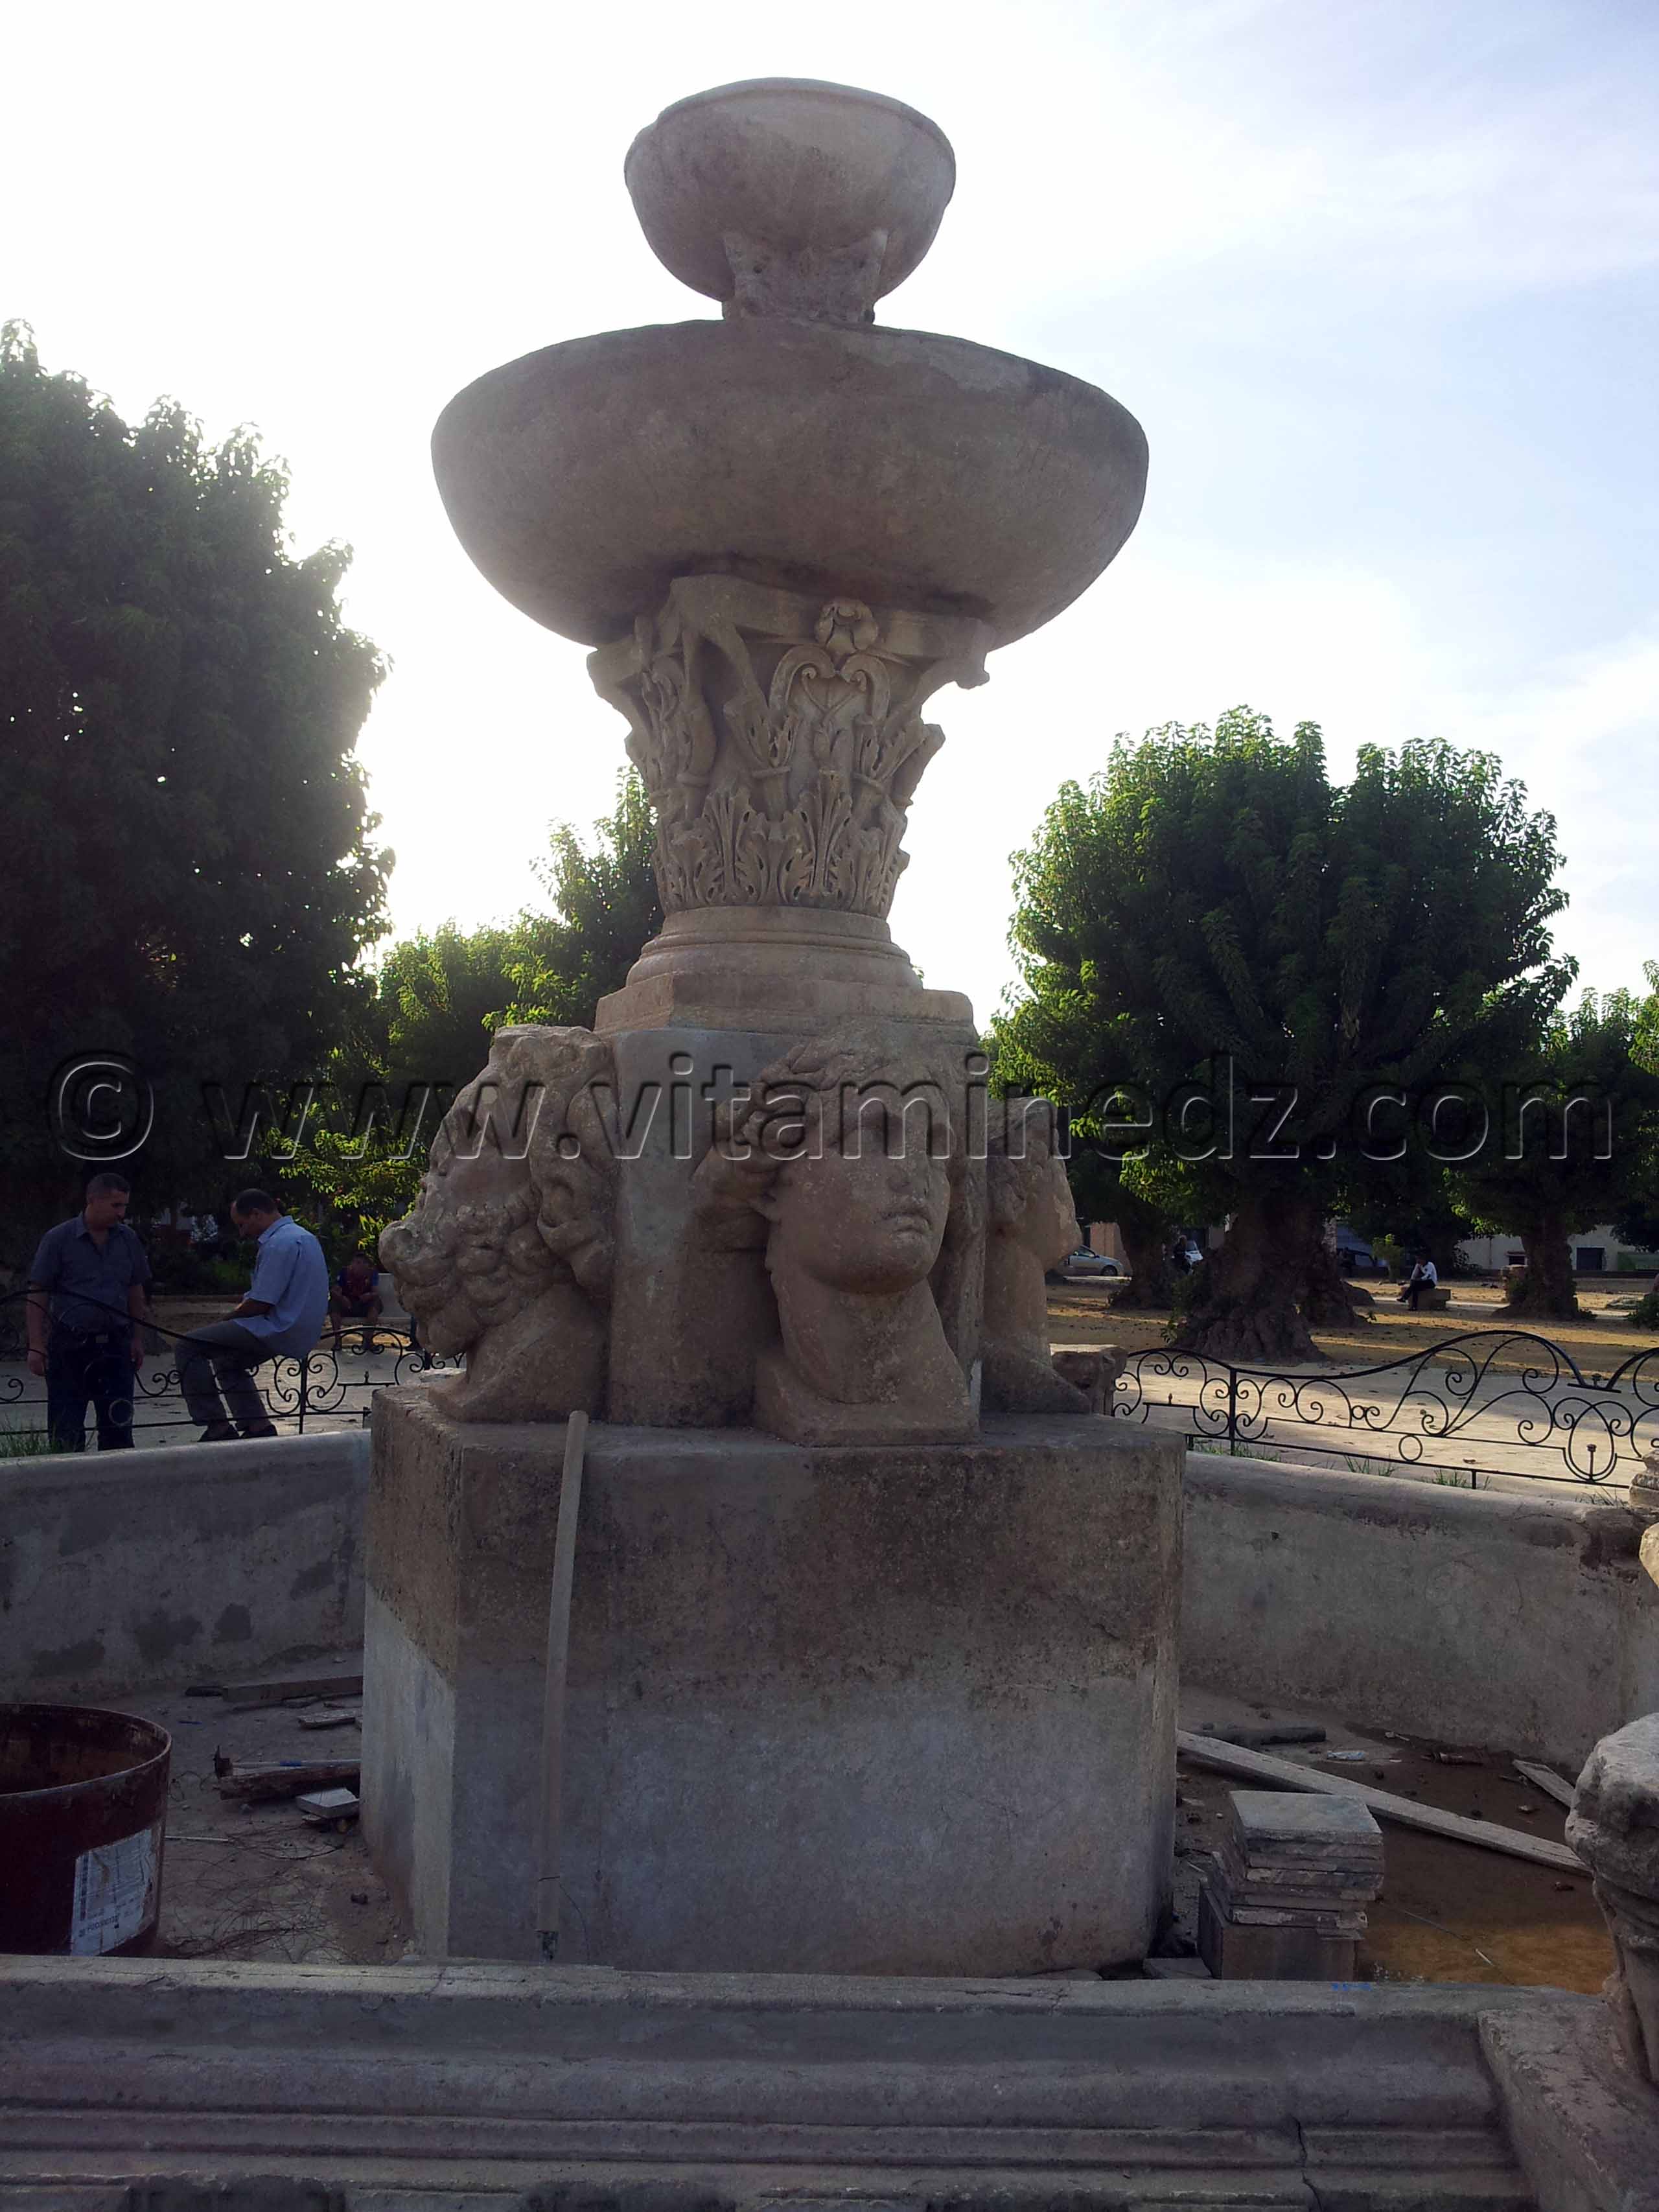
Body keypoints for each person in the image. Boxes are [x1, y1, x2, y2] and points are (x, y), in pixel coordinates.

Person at [178, 1190, 329, 1442]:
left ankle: (216, 1426)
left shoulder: (279, 1243)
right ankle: (257, 1424)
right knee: (227, 1361)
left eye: (242, 1224)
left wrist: (225, 1320)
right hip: (301, 1328)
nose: (242, 1232)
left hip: (278, 1327)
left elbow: (260, 1302)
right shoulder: (303, 1236)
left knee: (187, 1345)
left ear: (257, 1214)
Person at [25, 1172, 154, 1451]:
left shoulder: (128, 1239)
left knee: (118, 1428)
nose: (121, 1214)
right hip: (70, 1343)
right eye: (115, 1205)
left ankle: (115, 1489)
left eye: (124, 1207)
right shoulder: (58, 1239)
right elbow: (38, 1293)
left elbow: (135, 1291)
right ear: (93, 1200)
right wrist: (36, 1345)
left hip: (116, 1343)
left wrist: (137, 1338)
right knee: (66, 1429)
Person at [328, 1251, 384, 1350]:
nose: (359, 1266)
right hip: (347, 1305)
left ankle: (368, 1341)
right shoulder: (344, 1272)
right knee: (333, 1304)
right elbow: (334, 1291)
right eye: (357, 1263)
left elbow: (376, 1292)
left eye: (362, 1263)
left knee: (376, 1303)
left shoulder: (372, 1274)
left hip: (363, 1305)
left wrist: (369, 1295)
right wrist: (342, 1298)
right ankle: (338, 1341)